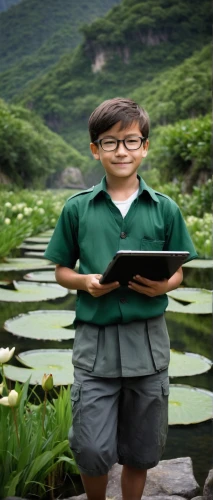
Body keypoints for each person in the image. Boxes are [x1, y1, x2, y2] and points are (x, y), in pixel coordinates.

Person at [44, 97, 197, 500]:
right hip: (94, 348)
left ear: (145, 146)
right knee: (92, 448)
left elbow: (179, 268)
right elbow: (61, 270)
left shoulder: (166, 209)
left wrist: (166, 285)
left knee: (141, 450)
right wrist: (86, 282)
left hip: (149, 346)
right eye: (110, 142)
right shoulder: (77, 209)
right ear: (95, 149)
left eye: (131, 141)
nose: (122, 151)